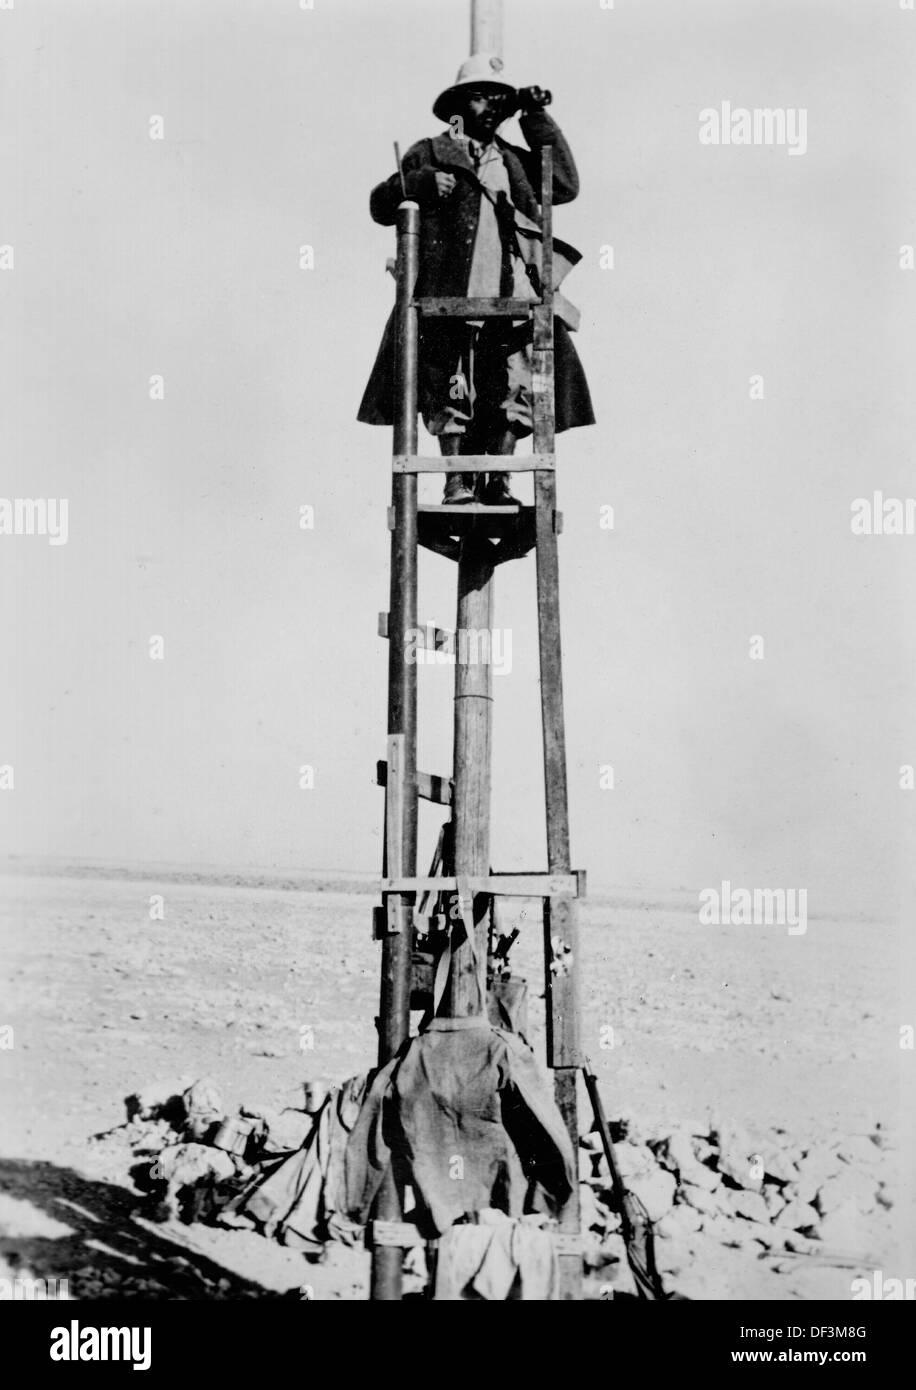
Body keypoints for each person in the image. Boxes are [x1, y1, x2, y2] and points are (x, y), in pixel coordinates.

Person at [358, 53, 594, 505]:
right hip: (450, 295)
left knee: (515, 384)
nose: (491, 105)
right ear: (459, 107)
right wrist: (419, 185)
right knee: (452, 383)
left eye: (498, 98)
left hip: (513, 295)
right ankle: (456, 481)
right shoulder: (430, 151)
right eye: (482, 96)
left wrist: (534, 114)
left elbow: (563, 183)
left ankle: (499, 480)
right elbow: (378, 203)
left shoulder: (514, 160)